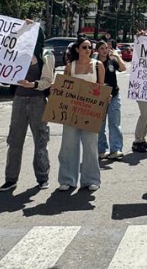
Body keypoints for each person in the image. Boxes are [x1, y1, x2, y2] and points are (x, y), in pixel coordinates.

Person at [0, 28, 55, 192]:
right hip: (19, 100)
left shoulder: (46, 55)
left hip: (38, 100)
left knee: (41, 140)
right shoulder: (15, 53)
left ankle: (43, 177)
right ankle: (10, 179)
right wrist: (22, 28)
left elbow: (48, 80)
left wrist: (32, 85)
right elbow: (4, 47)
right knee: (14, 140)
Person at [58, 38, 105, 192]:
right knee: (68, 145)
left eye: (90, 47)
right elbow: (64, 88)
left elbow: (101, 87)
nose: (87, 50)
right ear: (77, 49)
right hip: (71, 111)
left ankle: (91, 179)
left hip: (90, 112)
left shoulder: (98, 65)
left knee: (90, 145)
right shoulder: (69, 67)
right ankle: (67, 179)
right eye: (84, 47)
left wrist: (104, 97)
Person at [96, 41, 127, 160]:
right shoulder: (95, 63)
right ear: (97, 50)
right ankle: (102, 150)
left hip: (114, 95)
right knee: (100, 125)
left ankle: (116, 149)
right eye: (102, 48)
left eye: (106, 48)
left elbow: (123, 68)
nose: (105, 50)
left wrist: (117, 56)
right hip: (99, 97)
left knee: (114, 123)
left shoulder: (112, 61)